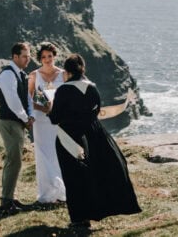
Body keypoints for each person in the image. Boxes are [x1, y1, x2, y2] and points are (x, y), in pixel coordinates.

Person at [46, 53, 141, 229]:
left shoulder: (63, 90)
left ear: (66, 72)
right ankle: (96, 210)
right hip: (94, 135)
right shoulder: (92, 87)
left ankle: (79, 218)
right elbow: (95, 113)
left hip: (70, 137)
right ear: (83, 69)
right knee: (94, 174)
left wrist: (50, 107)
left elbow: (55, 118)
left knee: (74, 177)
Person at [0, 41, 35, 214]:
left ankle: (8, 197)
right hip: (10, 122)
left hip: (16, 121)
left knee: (14, 160)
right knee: (14, 160)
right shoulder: (7, 75)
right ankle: (6, 200)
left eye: (29, 56)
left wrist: (30, 114)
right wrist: (26, 119)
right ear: (15, 56)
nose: (28, 59)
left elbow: (25, 97)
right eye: (25, 56)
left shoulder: (20, 74)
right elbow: (12, 101)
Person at [29, 42, 66, 204]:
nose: (47, 59)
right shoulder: (33, 75)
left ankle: (62, 191)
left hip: (59, 119)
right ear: (40, 59)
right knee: (43, 153)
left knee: (59, 152)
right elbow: (29, 99)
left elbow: (69, 95)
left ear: (54, 56)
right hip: (41, 120)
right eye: (43, 57)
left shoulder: (64, 74)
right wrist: (41, 109)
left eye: (49, 56)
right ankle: (46, 193)